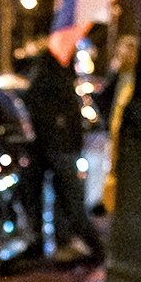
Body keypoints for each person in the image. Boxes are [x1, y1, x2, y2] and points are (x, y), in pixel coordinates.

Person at [20, 43, 103, 260]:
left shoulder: (43, 82)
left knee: (50, 201)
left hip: (50, 149)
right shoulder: (57, 83)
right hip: (59, 149)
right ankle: (90, 247)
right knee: (71, 200)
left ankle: (57, 243)